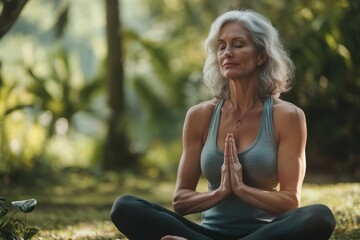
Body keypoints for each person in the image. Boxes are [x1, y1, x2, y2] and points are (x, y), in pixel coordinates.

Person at [110, 9, 336, 240]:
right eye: (221, 46)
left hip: (266, 234)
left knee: (319, 216)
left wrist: (242, 189)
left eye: (238, 44)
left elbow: (290, 201)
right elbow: (180, 201)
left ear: (261, 55)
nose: (228, 53)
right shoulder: (200, 115)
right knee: (125, 206)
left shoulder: (287, 116)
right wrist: (221, 192)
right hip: (208, 232)